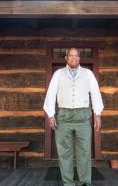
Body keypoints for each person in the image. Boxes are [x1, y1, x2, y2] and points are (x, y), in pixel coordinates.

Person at [43, 47, 104, 186]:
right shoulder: (58, 74)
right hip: (63, 117)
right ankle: (68, 183)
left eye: (76, 56)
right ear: (66, 58)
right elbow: (51, 94)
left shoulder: (88, 73)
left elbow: (95, 93)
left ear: (79, 58)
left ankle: (84, 182)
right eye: (71, 55)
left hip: (83, 116)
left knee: (84, 152)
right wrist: (51, 115)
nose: (74, 58)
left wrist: (97, 114)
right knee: (64, 153)